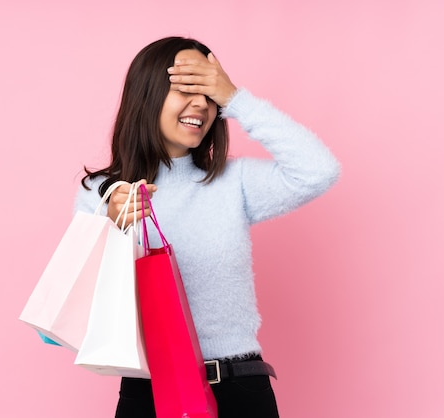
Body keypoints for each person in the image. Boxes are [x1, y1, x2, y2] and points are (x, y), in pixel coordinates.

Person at [75, 36, 340, 418]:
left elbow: (319, 171)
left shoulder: (234, 183)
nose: (202, 103)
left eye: (209, 92)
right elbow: (86, 299)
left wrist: (237, 100)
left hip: (239, 387)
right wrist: (110, 227)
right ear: (147, 94)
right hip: (148, 392)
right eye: (187, 88)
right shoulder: (102, 194)